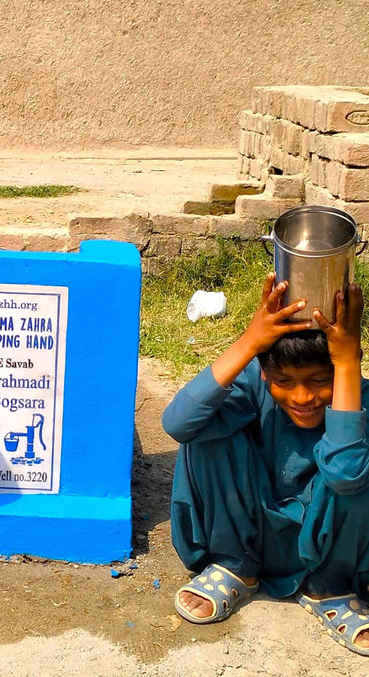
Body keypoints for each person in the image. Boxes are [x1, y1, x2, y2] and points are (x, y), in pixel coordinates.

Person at [163, 273, 369, 656]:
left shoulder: (357, 399)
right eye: (283, 381)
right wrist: (250, 341)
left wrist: (345, 362)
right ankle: (235, 567)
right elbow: (177, 423)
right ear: (263, 372)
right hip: (250, 537)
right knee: (204, 430)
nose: (302, 396)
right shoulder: (255, 388)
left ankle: (330, 588)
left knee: (356, 464)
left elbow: (344, 473)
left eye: (320, 380)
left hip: (331, 552)